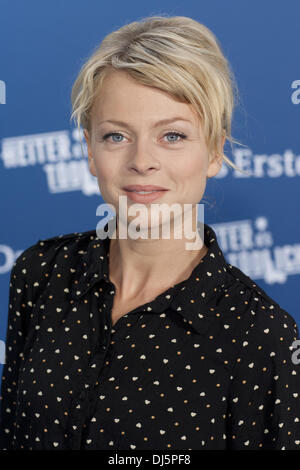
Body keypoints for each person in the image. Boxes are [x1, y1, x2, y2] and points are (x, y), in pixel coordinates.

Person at [1, 14, 299, 451]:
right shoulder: (41, 273)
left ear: (214, 150)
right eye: (117, 136)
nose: (142, 160)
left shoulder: (261, 335)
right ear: (88, 149)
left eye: (173, 136)